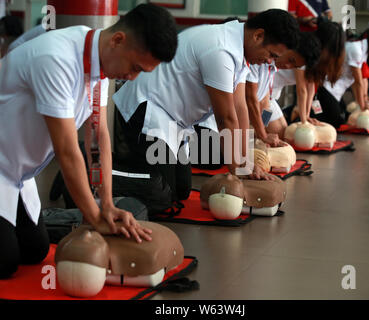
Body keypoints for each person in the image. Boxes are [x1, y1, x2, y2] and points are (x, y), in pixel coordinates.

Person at [0, 3, 177, 279]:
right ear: (118, 40)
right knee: (5, 261)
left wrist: (106, 204)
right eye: (135, 67)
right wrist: (94, 218)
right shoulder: (56, 58)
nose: (132, 77)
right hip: (3, 166)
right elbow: (68, 151)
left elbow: (98, 136)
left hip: (17, 174)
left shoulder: (100, 59)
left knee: (34, 251)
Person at [112, 9, 299, 196]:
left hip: (173, 122)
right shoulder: (221, 49)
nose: (269, 61)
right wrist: (237, 169)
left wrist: (245, 162)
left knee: (181, 191)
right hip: (146, 110)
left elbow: (240, 108)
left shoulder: (240, 49)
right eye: (272, 54)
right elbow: (225, 118)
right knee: (162, 194)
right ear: (258, 36)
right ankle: (101, 174)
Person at [246, 21, 345, 139]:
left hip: (269, 97)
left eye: (293, 64)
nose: (288, 66)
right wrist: (303, 121)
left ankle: (256, 132)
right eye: (291, 60)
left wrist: (306, 117)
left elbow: (310, 88)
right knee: (267, 130)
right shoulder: (298, 50)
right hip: (258, 97)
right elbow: (301, 90)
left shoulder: (307, 58)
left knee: (282, 133)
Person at [314, 27, 369, 128]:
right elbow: (358, 82)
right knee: (338, 123)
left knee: (344, 118)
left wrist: (364, 100)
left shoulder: (362, 50)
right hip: (326, 90)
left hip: (336, 93)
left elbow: (362, 80)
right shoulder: (355, 49)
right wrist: (363, 107)